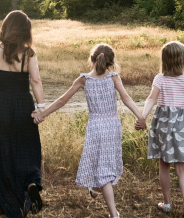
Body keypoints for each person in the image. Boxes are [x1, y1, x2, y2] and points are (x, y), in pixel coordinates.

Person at [32, 43, 146, 218]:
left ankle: (99, 192)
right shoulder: (114, 77)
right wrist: (141, 117)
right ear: (110, 62)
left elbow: (62, 101)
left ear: (91, 59)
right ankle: (114, 213)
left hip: (95, 128)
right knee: (105, 170)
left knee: (101, 167)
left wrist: (43, 114)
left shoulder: (84, 80)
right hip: (112, 127)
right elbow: (127, 99)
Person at [0, 10, 49, 217]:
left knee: (0, 153)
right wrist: (41, 107)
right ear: (25, 31)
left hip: (0, 106)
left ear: (6, 27)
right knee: (25, 149)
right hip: (23, 106)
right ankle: (30, 183)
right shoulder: (28, 54)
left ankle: (5, 201)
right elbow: (36, 81)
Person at [145, 41, 184, 217]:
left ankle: (168, 204)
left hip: (164, 126)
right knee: (181, 168)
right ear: (182, 58)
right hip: (182, 128)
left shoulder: (160, 79)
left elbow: (151, 99)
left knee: (164, 164)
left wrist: (142, 116)